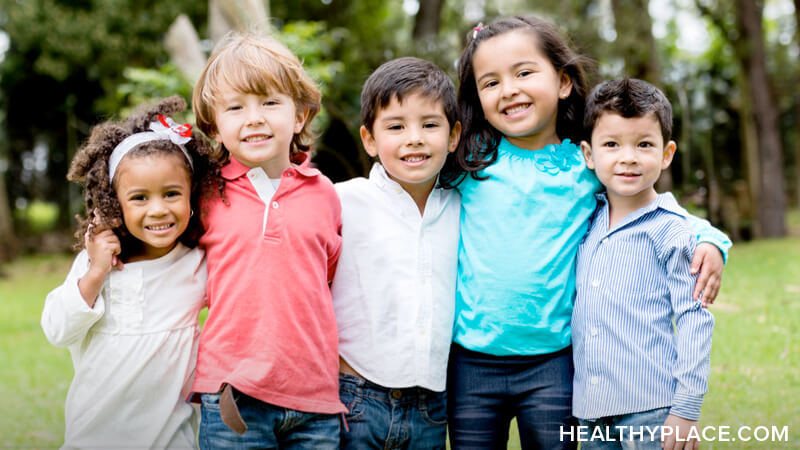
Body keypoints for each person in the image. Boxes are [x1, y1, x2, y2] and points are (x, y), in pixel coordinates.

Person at [437, 16, 731, 449]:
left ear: (563, 82)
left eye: (523, 73)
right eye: (490, 82)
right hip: (470, 362)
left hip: (554, 361)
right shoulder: (469, 160)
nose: (509, 90)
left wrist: (710, 238)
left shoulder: (587, 162)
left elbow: (649, 206)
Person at [190, 32, 344, 449]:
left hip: (316, 402)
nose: (254, 117)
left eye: (270, 102)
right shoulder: (204, 196)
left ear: (299, 117)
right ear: (215, 127)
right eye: (236, 107)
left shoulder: (325, 194)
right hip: (233, 399)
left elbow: (325, 279)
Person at [41, 96, 213, 449]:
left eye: (171, 194)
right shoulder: (97, 265)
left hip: (171, 440)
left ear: (192, 196)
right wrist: (94, 274)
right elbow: (57, 330)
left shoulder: (198, 263)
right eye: (139, 198)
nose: (158, 210)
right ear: (113, 200)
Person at [572, 78, 714, 450]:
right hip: (590, 409)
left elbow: (694, 319)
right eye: (611, 144)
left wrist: (685, 408)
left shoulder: (673, 231)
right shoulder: (584, 221)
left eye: (644, 144)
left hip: (651, 409)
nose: (628, 157)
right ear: (589, 154)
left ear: (667, 154)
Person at [331, 57, 461, 450]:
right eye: (396, 126)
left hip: (431, 404)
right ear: (370, 139)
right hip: (354, 397)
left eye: (429, 124)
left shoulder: (462, 207)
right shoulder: (342, 201)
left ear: (453, 136)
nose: (414, 137)